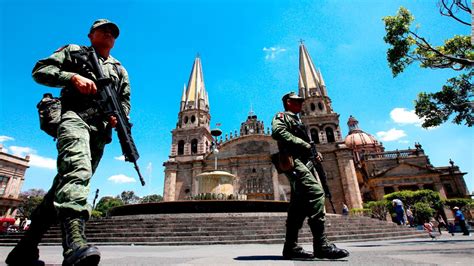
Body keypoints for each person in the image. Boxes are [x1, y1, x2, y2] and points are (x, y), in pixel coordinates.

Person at [6, 19, 131, 266]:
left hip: (99, 131)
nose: (108, 33)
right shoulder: (74, 51)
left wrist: (120, 118)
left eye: (113, 32)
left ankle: (26, 248)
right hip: (73, 118)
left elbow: (125, 101)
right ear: (90, 34)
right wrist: (72, 77)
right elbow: (40, 71)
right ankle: (74, 244)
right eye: (103, 29)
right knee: (78, 171)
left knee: (63, 185)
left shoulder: (120, 70)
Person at [271, 92, 349, 260]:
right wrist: (304, 144)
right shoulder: (282, 116)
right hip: (293, 161)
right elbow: (278, 132)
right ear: (288, 102)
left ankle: (290, 247)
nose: (301, 104)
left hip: (303, 162)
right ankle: (321, 245)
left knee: (297, 207)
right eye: (297, 101)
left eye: (301, 101)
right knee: (316, 192)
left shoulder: (298, 120)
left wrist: (314, 154)